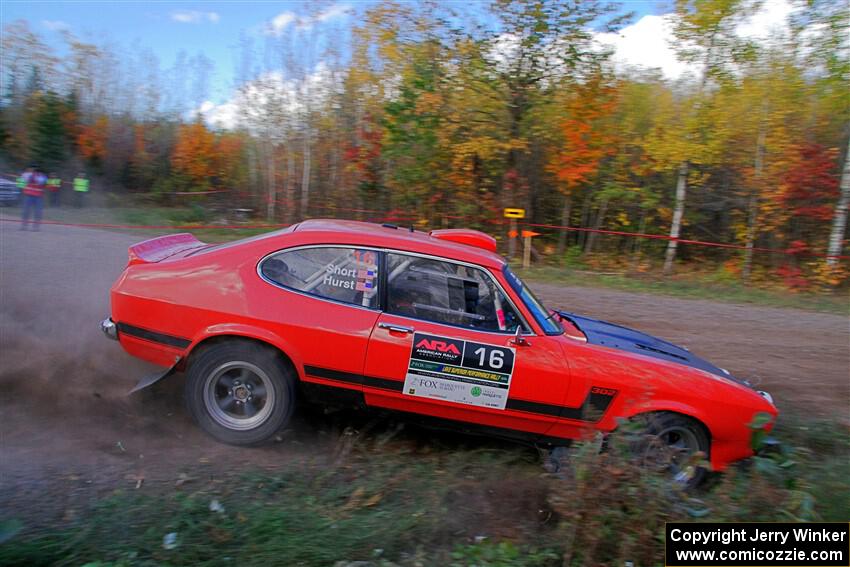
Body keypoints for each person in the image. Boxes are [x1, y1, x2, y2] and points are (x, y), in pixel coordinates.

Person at [20, 166, 47, 231]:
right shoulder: (29, 175)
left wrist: (37, 178)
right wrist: (32, 176)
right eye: (36, 172)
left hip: (38, 197)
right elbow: (24, 178)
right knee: (26, 211)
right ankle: (24, 226)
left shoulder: (43, 177)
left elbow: (41, 182)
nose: (38, 173)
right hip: (29, 195)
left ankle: (36, 227)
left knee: (37, 212)